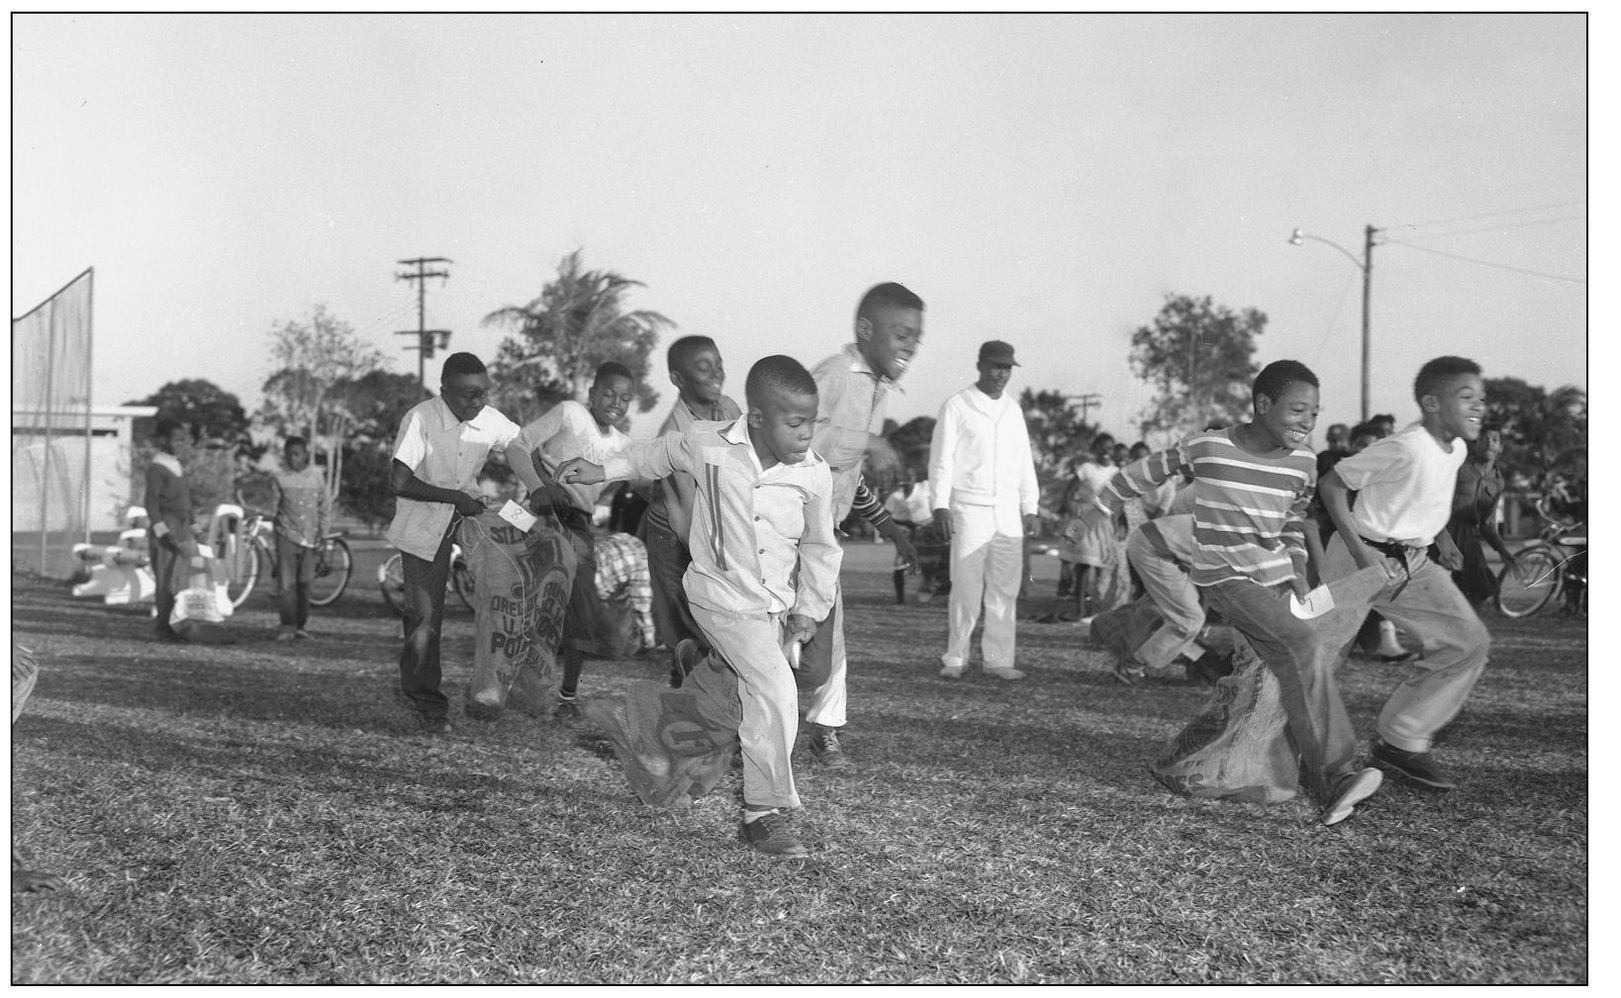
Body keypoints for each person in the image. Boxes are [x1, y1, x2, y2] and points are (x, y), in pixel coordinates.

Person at [1073, 360, 1383, 825]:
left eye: (1315, 414)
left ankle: (1192, 757)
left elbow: (1293, 522)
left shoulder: (1305, 462)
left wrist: (1298, 571)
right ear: (1263, 404)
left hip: (1275, 580)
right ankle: (1337, 777)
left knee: (1266, 679)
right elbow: (1139, 475)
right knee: (1300, 647)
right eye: (1298, 410)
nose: (1308, 422)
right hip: (1226, 579)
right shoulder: (1210, 446)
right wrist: (1093, 512)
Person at [557, 355, 842, 858]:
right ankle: (763, 813)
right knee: (774, 689)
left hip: (772, 606)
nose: (806, 434)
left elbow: (821, 547)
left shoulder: (815, 475)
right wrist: (600, 469)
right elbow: (655, 455)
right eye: (795, 423)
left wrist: (810, 608)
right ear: (757, 419)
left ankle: (664, 716)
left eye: (811, 422)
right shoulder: (709, 444)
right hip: (719, 595)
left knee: (740, 697)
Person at [1318, 356, 1494, 792]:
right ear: (1432, 403)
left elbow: (1425, 503)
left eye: (1482, 398)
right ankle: (1280, 745)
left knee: (1468, 642)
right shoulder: (1405, 445)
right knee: (1320, 659)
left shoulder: (1456, 449)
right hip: (1358, 555)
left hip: (1413, 562)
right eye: (1466, 397)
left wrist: (1443, 543)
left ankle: (1400, 741)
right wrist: (1361, 554)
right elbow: (1333, 485)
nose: (1479, 407)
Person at [799, 282, 924, 769]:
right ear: (866, 330)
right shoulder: (834, 374)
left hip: (822, 536)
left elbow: (845, 475)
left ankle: (826, 731)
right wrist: (871, 442)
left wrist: (891, 528)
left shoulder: (876, 385)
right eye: (901, 334)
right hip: (786, 532)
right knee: (793, 640)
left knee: (832, 640)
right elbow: (796, 435)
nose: (910, 346)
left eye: (917, 337)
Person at [387, 352, 519, 736]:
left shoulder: (489, 418)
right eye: (467, 396)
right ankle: (427, 703)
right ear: (444, 391)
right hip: (425, 520)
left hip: (469, 508)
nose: (477, 403)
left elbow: (520, 446)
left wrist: (542, 486)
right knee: (424, 620)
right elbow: (399, 481)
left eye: (483, 394)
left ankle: (498, 685)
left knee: (524, 531)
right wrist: (454, 497)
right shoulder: (421, 417)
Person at [506, 362, 638, 718]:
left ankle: (567, 694)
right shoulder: (570, 412)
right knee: (515, 587)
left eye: (625, 398)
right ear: (592, 393)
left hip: (578, 522)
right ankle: (509, 680)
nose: (615, 402)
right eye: (608, 392)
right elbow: (518, 444)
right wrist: (540, 486)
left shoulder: (625, 446)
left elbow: (648, 480)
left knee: (582, 601)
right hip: (539, 508)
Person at [928, 340, 1040, 680]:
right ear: (979, 366)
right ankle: (956, 657)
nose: (1000, 374)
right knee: (965, 587)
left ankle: (998, 659)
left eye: (1006, 368)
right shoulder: (957, 406)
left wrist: (1030, 506)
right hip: (969, 508)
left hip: (1007, 510)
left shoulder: (1013, 410)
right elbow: (941, 460)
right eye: (995, 366)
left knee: (1005, 589)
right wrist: (940, 505)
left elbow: (1024, 462)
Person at [637, 335, 744, 688]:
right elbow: (683, 514)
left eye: (718, 365)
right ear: (677, 379)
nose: (716, 374)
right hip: (674, 533)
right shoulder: (674, 434)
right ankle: (688, 705)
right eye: (703, 368)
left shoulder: (728, 410)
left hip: (710, 524)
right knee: (687, 626)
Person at [268, 436, 332, 641]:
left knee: (305, 584)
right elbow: (273, 508)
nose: (293, 459)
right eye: (288, 455)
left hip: (311, 538)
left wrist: (323, 535)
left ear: (305, 455)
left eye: (297, 454)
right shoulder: (279, 478)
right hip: (286, 535)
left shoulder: (316, 477)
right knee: (286, 583)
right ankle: (287, 626)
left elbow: (324, 507)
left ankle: (301, 626)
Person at [1445, 425, 1514, 605]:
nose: (1489, 444)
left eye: (1494, 440)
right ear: (1475, 444)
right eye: (1483, 439)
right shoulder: (1457, 466)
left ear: (1500, 447)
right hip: (1441, 530)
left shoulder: (1497, 481)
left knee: (1480, 586)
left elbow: (1487, 524)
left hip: (1467, 536)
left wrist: (1503, 551)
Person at [144, 419, 195, 643]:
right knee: (165, 579)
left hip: (182, 526)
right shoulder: (158, 468)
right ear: (163, 440)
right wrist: (162, 531)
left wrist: (193, 524)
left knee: (181, 578)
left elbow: (185, 502)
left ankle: (179, 624)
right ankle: (163, 627)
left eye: (183, 440)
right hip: (166, 526)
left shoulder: (176, 464)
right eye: (176, 439)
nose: (181, 444)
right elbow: (151, 503)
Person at [1066, 433, 1123, 620]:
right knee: (1084, 564)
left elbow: (1118, 501)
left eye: (1110, 448)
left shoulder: (1116, 471)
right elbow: (1069, 492)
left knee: (1102, 567)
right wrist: (1073, 510)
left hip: (1105, 522)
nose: (1106, 451)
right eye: (1102, 447)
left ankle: (1097, 610)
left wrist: (1117, 524)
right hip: (1086, 520)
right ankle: (1079, 609)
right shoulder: (1087, 468)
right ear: (1095, 449)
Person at [883, 479, 935, 604]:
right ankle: (900, 599)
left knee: (931, 562)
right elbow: (884, 516)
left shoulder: (926, 487)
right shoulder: (895, 496)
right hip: (905, 532)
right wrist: (904, 523)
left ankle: (929, 594)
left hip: (926, 531)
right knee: (900, 563)